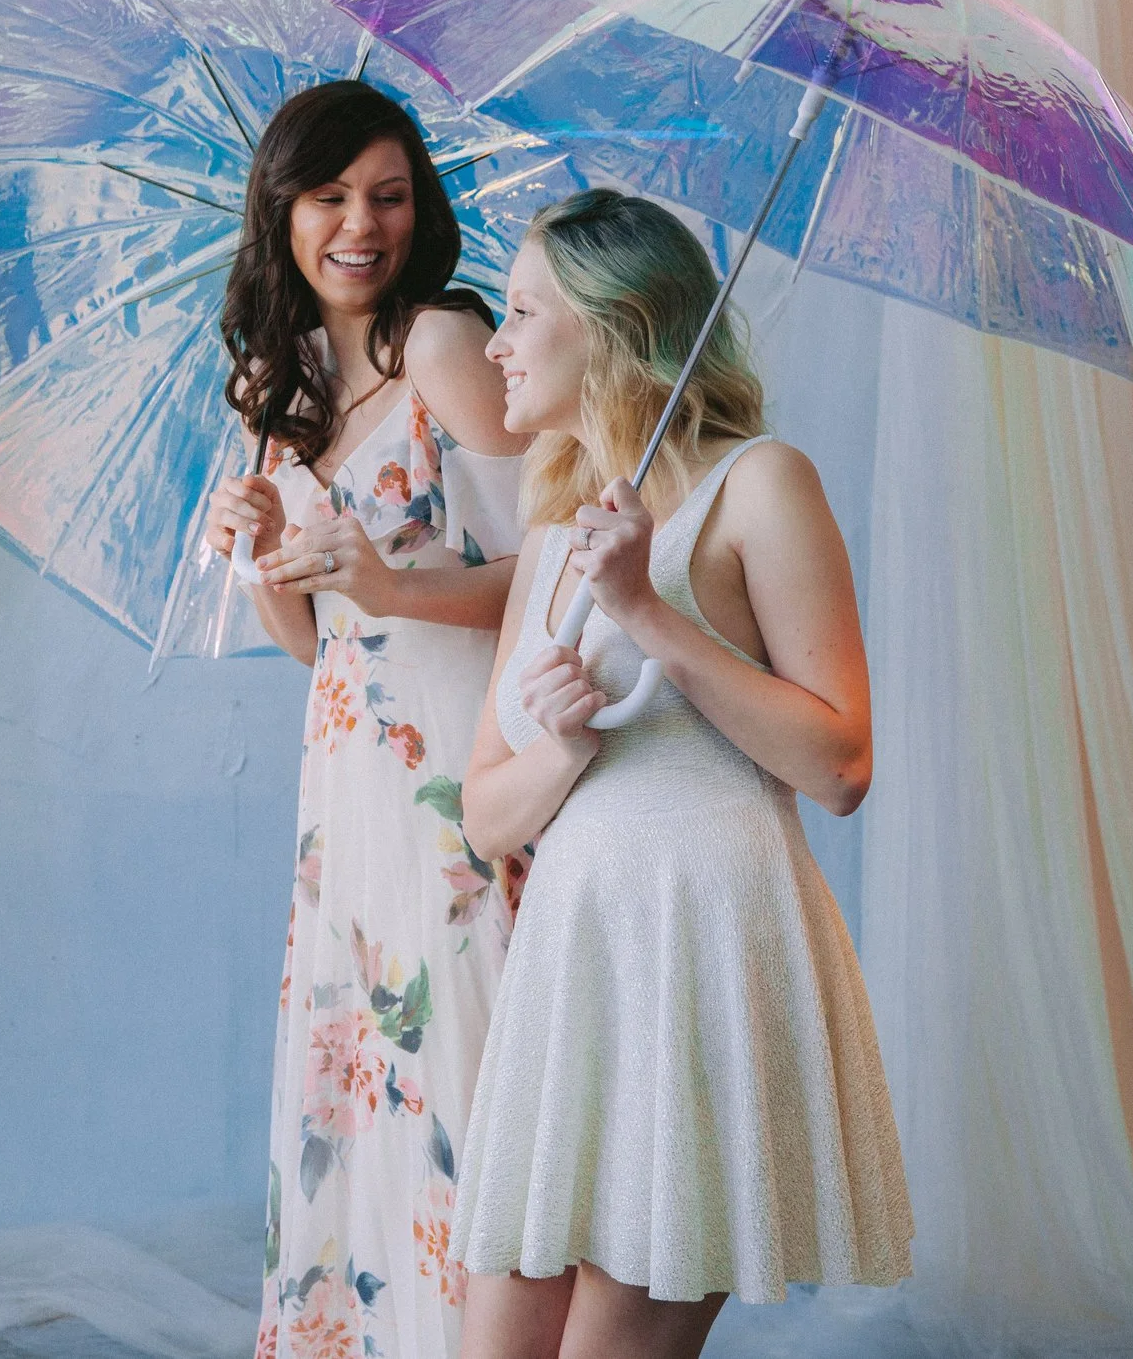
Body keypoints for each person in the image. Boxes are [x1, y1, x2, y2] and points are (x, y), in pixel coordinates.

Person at [451, 190, 912, 1359]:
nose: (492, 342)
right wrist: (559, 746)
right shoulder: (553, 533)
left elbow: (840, 761)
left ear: (608, 327)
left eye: (517, 312)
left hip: (705, 951)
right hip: (576, 962)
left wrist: (649, 612)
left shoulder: (762, 483)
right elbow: (482, 815)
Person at [205, 81, 530, 1359]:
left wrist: (387, 583)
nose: (361, 224)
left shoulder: (443, 343)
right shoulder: (269, 389)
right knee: (367, 1082)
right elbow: (319, 647)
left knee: (459, 1072)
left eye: (388, 195)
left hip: (463, 763)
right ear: (281, 211)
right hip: (346, 790)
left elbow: (548, 577)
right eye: (331, 196)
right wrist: (272, 550)